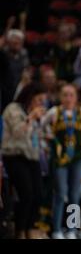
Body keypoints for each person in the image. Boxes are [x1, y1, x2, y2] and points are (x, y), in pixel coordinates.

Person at [40, 84, 81, 239]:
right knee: (60, 193)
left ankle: (72, 229)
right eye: (65, 95)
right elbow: (41, 127)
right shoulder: (54, 112)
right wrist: (45, 144)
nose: (68, 98)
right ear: (60, 97)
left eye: (71, 95)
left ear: (76, 97)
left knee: (74, 194)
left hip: (77, 159)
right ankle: (57, 229)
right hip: (59, 160)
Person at [1, 84, 47, 239]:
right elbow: (17, 132)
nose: (41, 104)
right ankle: (20, 230)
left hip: (32, 157)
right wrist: (31, 117)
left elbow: (36, 137)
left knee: (39, 194)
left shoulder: (33, 113)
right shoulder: (13, 109)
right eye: (39, 100)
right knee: (26, 194)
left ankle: (30, 228)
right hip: (14, 156)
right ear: (30, 96)